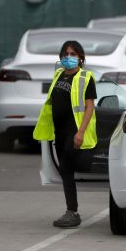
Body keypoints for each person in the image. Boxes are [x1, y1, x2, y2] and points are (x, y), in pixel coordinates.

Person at [33, 40, 97, 228]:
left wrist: (81, 132)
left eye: (73, 54)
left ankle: (72, 211)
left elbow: (89, 106)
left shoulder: (86, 77)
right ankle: (72, 212)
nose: (69, 58)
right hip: (59, 131)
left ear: (80, 58)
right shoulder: (59, 75)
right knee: (65, 172)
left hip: (74, 131)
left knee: (69, 162)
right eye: (65, 54)